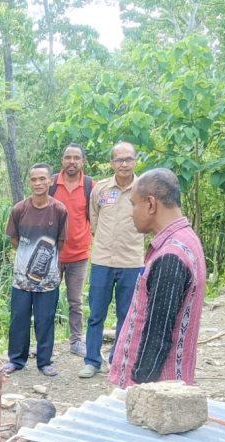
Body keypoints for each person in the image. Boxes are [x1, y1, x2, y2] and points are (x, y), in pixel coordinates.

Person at [110, 169, 205, 388]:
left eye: (134, 204)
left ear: (151, 205)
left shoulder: (170, 256)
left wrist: (139, 390)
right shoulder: (186, 240)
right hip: (166, 386)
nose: (131, 213)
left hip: (155, 391)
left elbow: (158, 336)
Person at [80, 142, 146, 378]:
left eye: (128, 159)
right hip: (102, 261)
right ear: (112, 163)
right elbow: (94, 220)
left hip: (132, 262)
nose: (124, 164)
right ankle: (92, 361)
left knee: (126, 316)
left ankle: (118, 361)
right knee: (96, 314)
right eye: (119, 160)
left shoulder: (144, 189)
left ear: (135, 161)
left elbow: (149, 220)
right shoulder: (101, 189)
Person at [4, 164, 68, 377]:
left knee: (45, 320)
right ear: (29, 181)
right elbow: (15, 240)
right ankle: (16, 360)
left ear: (51, 181)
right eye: (34, 179)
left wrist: (48, 266)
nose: (38, 183)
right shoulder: (19, 209)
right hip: (21, 278)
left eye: (42, 179)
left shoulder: (59, 210)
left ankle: (44, 362)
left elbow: (60, 242)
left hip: (48, 279)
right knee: (19, 319)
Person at [50, 144, 93, 357]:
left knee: (75, 301)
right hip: (51, 255)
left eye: (76, 158)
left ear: (82, 162)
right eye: (68, 157)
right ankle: (44, 342)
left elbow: (96, 217)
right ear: (62, 160)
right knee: (47, 298)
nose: (72, 161)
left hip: (79, 255)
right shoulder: (51, 184)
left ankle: (76, 340)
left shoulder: (89, 185)